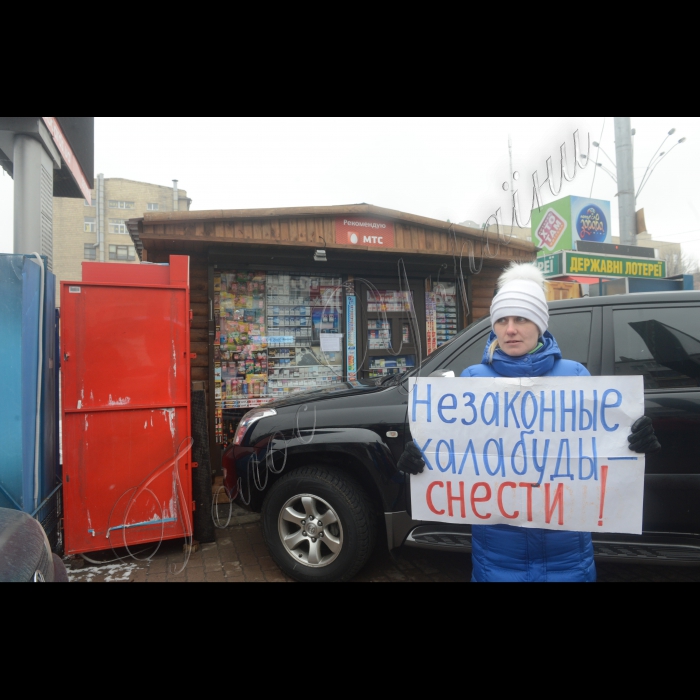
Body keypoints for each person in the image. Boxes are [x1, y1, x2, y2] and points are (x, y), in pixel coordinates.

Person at [398, 263, 661, 583]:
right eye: (502, 320)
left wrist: (633, 444)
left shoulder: (576, 377)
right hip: (496, 560)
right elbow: (456, 458)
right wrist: (419, 460)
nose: (510, 329)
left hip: (568, 560)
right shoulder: (471, 382)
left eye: (521, 318)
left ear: (539, 323)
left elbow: (600, 450)